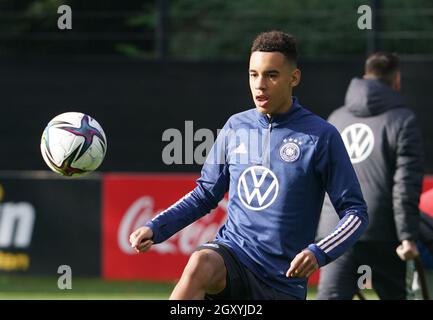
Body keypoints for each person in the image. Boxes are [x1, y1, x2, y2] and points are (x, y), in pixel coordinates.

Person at [129, 30, 368, 300]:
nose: (260, 84)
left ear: (294, 78)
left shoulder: (321, 137)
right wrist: (156, 227)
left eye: (271, 75)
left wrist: (319, 252)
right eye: (253, 74)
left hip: (282, 281)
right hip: (234, 256)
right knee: (200, 263)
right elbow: (205, 194)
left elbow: (355, 212)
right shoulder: (236, 126)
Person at [316, 52, 424, 300]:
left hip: (337, 230)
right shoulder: (403, 120)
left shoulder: (336, 118)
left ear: (364, 77)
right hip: (381, 233)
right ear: (396, 80)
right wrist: (407, 236)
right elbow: (405, 185)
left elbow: (319, 180)